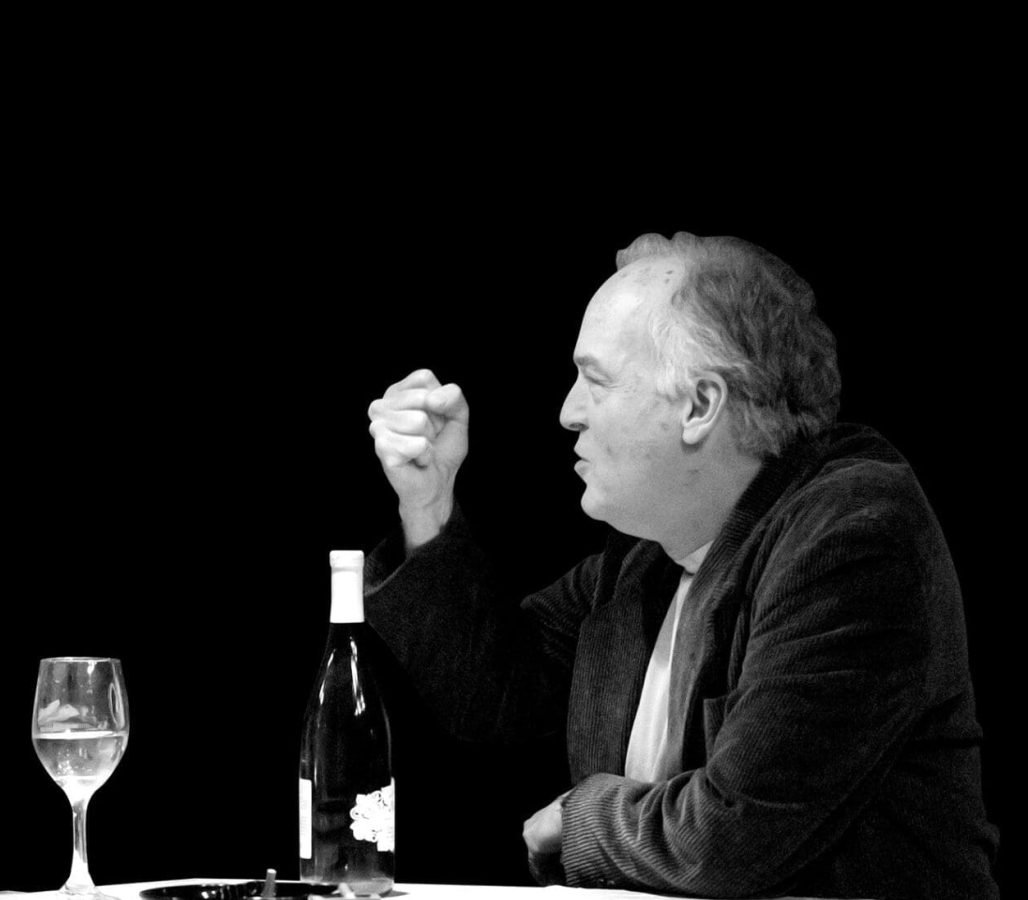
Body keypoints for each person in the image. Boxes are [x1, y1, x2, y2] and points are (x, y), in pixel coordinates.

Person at [362, 232, 998, 899]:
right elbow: (493, 693)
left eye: (596, 381)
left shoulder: (856, 535)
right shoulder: (643, 558)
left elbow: (732, 833)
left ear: (700, 405)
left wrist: (579, 819)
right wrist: (428, 501)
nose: (567, 412)